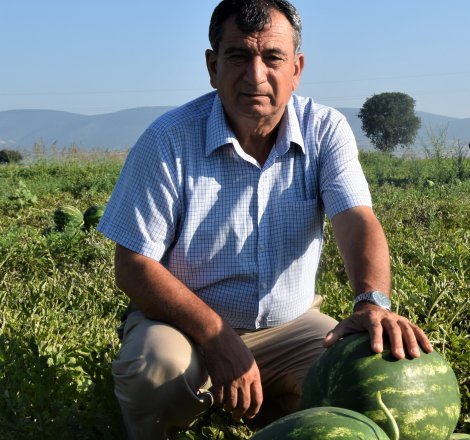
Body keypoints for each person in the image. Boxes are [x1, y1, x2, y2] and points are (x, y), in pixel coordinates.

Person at [97, 1, 432, 438]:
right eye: (238, 56)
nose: (256, 75)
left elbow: (356, 219)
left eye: (272, 57)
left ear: (296, 68)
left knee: (367, 383)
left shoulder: (324, 129)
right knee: (155, 369)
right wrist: (218, 339)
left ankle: (272, 405)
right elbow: (134, 266)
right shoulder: (168, 140)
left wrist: (372, 301)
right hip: (185, 326)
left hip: (292, 328)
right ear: (212, 66)